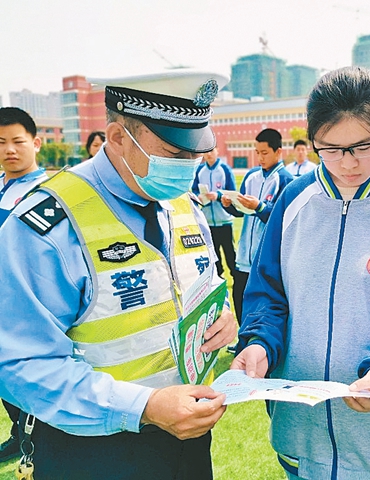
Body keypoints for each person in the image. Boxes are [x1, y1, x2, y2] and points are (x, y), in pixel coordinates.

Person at [0, 71, 238, 479]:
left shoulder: (184, 206)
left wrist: (221, 321)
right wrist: (143, 408)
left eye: (195, 154)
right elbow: (21, 363)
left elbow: (196, 291)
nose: (187, 168)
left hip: (189, 438)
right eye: (173, 153)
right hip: (93, 450)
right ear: (117, 137)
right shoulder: (48, 228)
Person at [231, 66, 370, 480]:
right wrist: (260, 345)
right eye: (330, 148)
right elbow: (267, 296)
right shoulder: (293, 202)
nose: (347, 163)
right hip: (299, 434)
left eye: (362, 146)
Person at [0, 107, 49, 463]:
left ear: (36, 143)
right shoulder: (2, 186)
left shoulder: (46, 191)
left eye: (18, 141)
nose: (9, 150)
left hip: (28, 302)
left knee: (29, 370)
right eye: (1, 143)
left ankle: (37, 436)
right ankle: (19, 432)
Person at [223, 128, 293, 324]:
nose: (260, 158)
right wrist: (230, 206)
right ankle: (243, 341)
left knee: (263, 307)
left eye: (264, 153)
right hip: (244, 257)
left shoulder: (287, 180)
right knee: (240, 300)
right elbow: (242, 212)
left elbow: (284, 219)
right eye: (257, 153)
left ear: (278, 152)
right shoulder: (251, 176)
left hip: (266, 260)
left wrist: (260, 207)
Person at [192, 146, 237, 279]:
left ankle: (237, 280)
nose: (209, 154)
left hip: (224, 221)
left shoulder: (225, 170)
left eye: (211, 151)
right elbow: (194, 190)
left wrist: (217, 195)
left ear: (218, 151)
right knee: (213, 254)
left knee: (230, 253)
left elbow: (233, 193)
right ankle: (218, 280)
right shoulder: (200, 170)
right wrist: (198, 196)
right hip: (208, 222)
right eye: (205, 151)